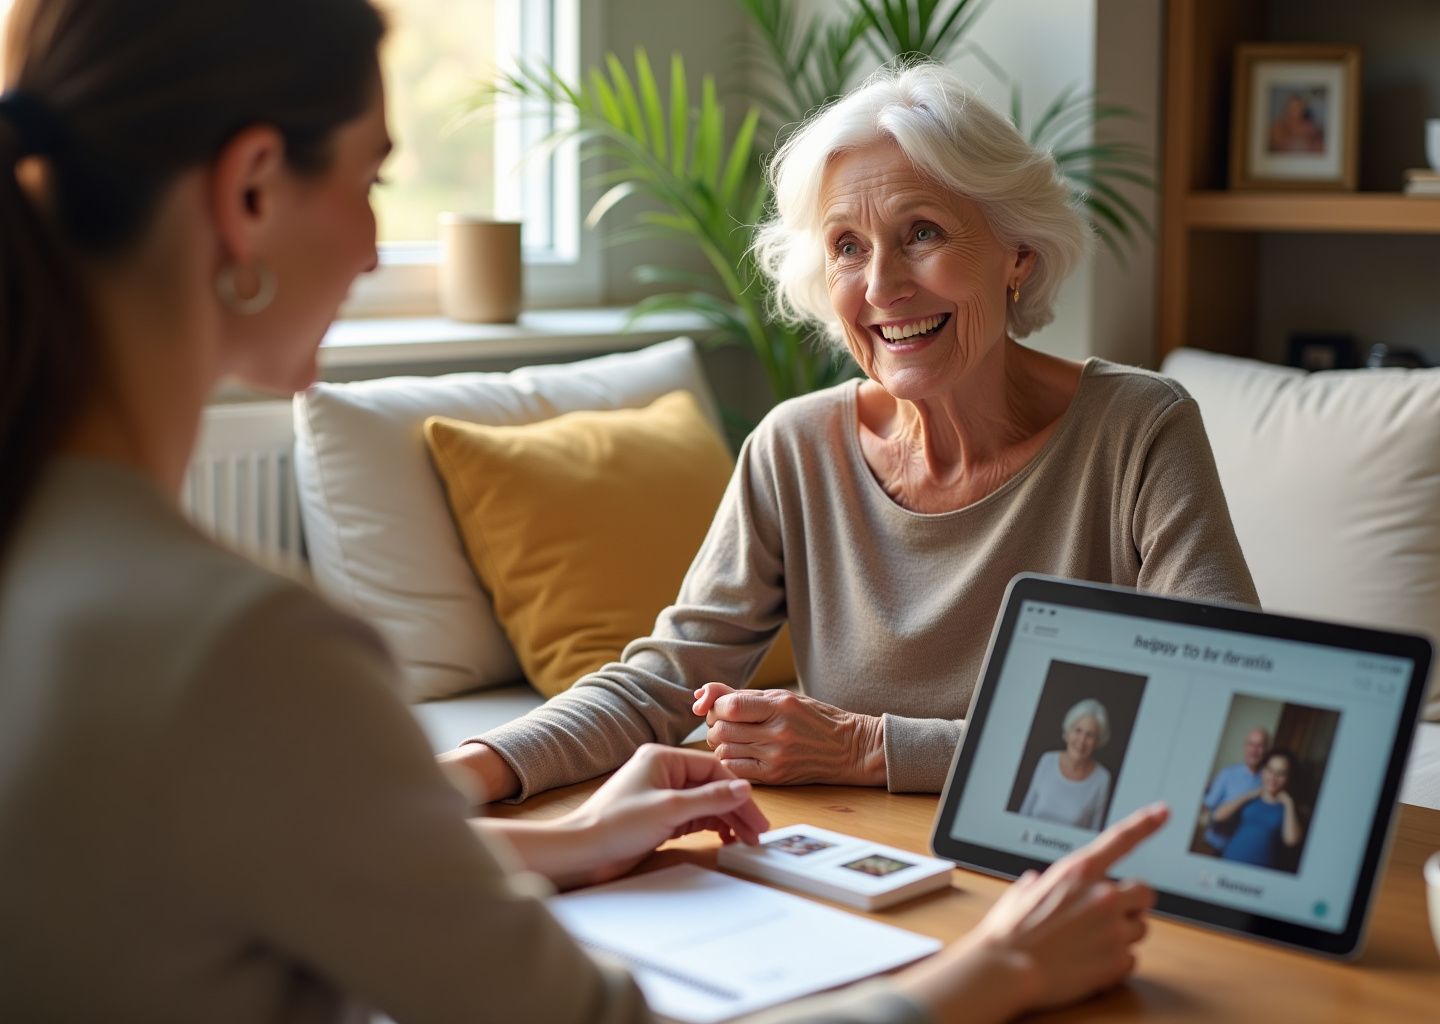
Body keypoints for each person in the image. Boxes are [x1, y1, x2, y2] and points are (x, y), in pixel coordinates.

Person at [0, 3, 1171, 1020]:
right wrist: (993, 974)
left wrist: (552, 836)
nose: (371, 242)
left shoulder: (51, 559)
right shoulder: (246, 650)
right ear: (251, 187)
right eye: (369, 180)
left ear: (1015, 255)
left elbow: (274, 856)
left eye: (922, 233)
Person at [444, 61, 1258, 804]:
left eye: (923, 233)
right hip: (844, 856)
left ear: (1017, 254)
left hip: (1053, 850)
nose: (882, 286)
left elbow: (1218, 708)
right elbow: (662, 684)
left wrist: (872, 747)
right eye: (846, 247)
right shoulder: (794, 448)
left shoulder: (1139, 430)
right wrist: (459, 775)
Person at [1018, 700, 1113, 831]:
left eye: (1090, 735)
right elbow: (1024, 812)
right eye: (1078, 730)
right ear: (1068, 732)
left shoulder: (1102, 778)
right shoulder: (1047, 760)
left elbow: (1094, 832)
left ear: (1097, 741)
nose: (1082, 740)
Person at [1214, 750, 1305, 870]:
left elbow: (1291, 840)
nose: (1273, 777)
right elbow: (1218, 816)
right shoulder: (1250, 795)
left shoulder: (1288, 807)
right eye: (1270, 770)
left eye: (1281, 773)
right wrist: (1249, 795)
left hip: (1261, 870)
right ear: (1263, 770)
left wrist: (1289, 803)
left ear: (1288, 777)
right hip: (1230, 860)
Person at [1198, 726, 1271, 853]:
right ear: (1244, 747)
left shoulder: (1268, 781)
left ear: (1266, 750)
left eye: (1260, 746)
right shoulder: (1227, 774)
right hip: (1213, 846)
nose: (1254, 750)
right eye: (1250, 744)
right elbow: (1208, 807)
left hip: (1243, 851)